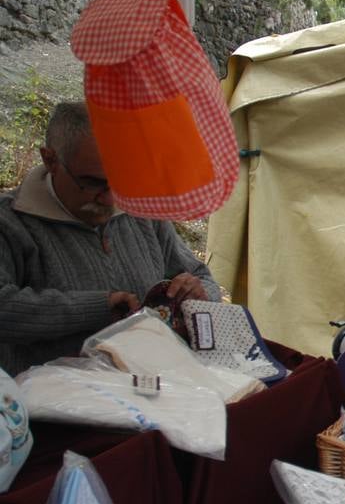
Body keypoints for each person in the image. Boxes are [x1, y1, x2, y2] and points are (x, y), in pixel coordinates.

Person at [0, 101, 221, 376]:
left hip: (154, 391)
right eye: (92, 183)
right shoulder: (11, 223)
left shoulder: (142, 210)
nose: (109, 198)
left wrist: (198, 295)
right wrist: (96, 308)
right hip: (52, 405)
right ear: (51, 160)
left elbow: (204, 279)